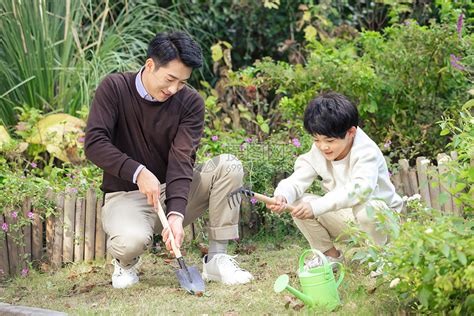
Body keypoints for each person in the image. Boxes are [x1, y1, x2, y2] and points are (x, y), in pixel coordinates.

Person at [85, 31, 253, 289]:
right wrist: (138, 172)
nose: (174, 89)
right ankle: (125, 264)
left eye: (182, 82)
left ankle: (217, 258)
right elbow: (95, 143)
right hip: (126, 196)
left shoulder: (190, 103)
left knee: (228, 165)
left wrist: (175, 213)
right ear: (150, 65)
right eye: (170, 79)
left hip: (171, 191)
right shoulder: (115, 88)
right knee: (130, 242)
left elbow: (182, 158)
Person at [267, 92, 403, 269]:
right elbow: (298, 179)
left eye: (329, 140)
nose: (323, 146)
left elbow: (360, 190)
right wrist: (283, 196)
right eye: (316, 140)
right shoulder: (321, 149)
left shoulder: (365, 151)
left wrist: (316, 207)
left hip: (383, 223)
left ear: (351, 132)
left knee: (368, 209)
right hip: (350, 221)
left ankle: (382, 259)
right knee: (299, 203)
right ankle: (330, 258)